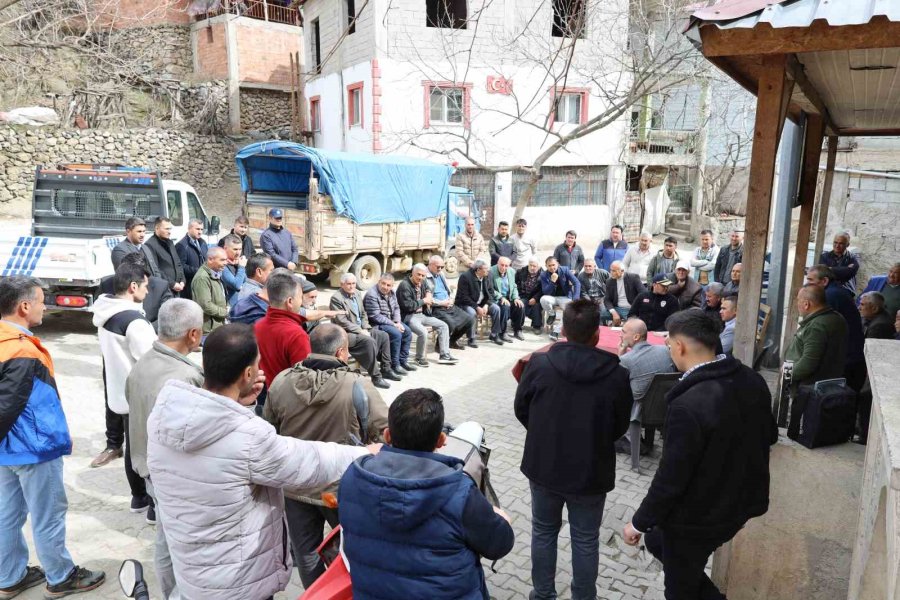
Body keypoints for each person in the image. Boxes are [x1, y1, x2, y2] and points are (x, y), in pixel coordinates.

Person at [146, 324, 376, 600]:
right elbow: (307, 462)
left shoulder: (166, 416)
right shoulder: (247, 438)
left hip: (192, 572)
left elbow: (222, 445)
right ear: (247, 373)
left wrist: (240, 405)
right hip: (236, 582)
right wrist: (365, 453)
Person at [623, 309, 777, 600]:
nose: (669, 351)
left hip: (700, 518)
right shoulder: (750, 379)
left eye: (668, 345)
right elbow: (768, 435)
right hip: (740, 504)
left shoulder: (688, 404)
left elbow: (670, 479)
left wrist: (638, 522)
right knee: (661, 545)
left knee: (681, 588)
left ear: (678, 346)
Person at [340, 388, 514, 599]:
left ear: (387, 435)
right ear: (441, 440)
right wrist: (501, 520)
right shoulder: (460, 492)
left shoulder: (353, 478)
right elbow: (498, 545)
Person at [515, 300, 633, 600]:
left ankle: (542, 594)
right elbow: (620, 425)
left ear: (563, 330)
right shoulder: (616, 374)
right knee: (585, 539)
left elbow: (522, 409)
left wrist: (547, 434)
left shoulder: (539, 364)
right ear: (597, 334)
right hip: (590, 470)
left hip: (545, 464)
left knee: (543, 532)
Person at [0, 276, 106, 598]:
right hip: (33, 447)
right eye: (41, 299)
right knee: (47, 514)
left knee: (7, 514)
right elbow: (7, 406)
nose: (45, 305)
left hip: (7, 451)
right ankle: (60, 576)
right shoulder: (21, 350)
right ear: (24, 306)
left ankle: (9, 576)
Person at [264, 324, 389, 589]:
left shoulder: (281, 381)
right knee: (352, 550)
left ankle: (319, 594)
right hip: (341, 487)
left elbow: (269, 432)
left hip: (294, 485)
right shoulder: (356, 383)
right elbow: (386, 429)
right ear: (342, 351)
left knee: (306, 554)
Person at [124, 299, 204, 599]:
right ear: (193, 335)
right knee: (180, 543)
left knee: (165, 537)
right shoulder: (185, 378)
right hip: (175, 476)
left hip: (148, 467)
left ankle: (170, 592)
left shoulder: (143, 364)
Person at [91, 262, 156, 519]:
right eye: (145, 286)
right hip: (138, 393)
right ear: (133, 287)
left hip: (119, 390)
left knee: (132, 447)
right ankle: (152, 505)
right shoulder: (134, 321)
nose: (148, 292)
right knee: (146, 452)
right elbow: (151, 359)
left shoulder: (106, 312)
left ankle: (137, 497)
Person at [615, 318, 676, 455]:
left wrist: (621, 354)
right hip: (665, 407)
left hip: (639, 412)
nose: (620, 334)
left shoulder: (627, 359)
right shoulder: (665, 351)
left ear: (636, 337)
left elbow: (614, 381)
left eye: (623, 332)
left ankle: (628, 440)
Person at [805, 264, 865, 391]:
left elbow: (820, 328)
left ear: (824, 281)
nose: (807, 284)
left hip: (848, 360)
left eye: (811, 280)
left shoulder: (831, 295)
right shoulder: (834, 291)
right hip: (851, 357)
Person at [331, 273, 398, 387]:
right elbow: (342, 321)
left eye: (354, 283)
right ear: (342, 284)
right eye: (349, 284)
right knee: (369, 341)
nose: (352, 286)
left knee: (384, 335)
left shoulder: (357, 293)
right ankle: (376, 377)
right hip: (346, 333)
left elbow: (363, 313)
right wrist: (360, 330)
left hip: (361, 329)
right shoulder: (336, 298)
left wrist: (366, 327)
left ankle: (386, 368)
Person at [784, 285, 848, 393]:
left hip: (810, 390)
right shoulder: (837, 317)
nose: (797, 304)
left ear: (806, 304)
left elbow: (807, 365)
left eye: (798, 300)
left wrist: (787, 373)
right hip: (826, 386)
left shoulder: (816, 326)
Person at [255, 269, 312, 388]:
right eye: (300, 297)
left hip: (266, 395)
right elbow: (303, 381)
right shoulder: (296, 335)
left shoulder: (257, 326)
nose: (301, 302)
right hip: (288, 399)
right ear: (290, 301)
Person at [396, 265, 458, 366]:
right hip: (409, 316)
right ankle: (419, 358)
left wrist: (428, 293)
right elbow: (409, 306)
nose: (420, 277)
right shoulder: (404, 285)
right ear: (412, 273)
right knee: (423, 332)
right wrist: (424, 300)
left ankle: (444, 355)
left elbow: (428, 288)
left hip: (422, 314)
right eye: (418, 275)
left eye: (423, 275)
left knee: (443, 325)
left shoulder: (423, 281)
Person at [99, 252, 172, 331]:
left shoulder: (160, 287)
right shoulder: (107, 284)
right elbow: (100, 313)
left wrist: (144, 329)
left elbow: (168, 317)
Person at [364, 273, 416, 374]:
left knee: (407, 332)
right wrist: (394, 324)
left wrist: (397, 321)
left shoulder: (392, 293)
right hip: (376, 324)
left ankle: (402, 361)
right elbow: (375, 316)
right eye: (383, 284)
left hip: (390, 322)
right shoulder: (372, 294)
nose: (385, 287)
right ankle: (394, 364)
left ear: (392, 286)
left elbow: (396, 308)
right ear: (379, 282)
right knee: (396, 334)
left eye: (388, 285)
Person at [424, 255, 475, 350]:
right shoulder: (425, 277)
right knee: (450, 323)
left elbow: (448, 290)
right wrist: (441, 303)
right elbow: (426, 299)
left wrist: (451, 299)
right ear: (430, 265)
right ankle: (439, 346)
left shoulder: (441, 274)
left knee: (469, 320)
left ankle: (452, 341)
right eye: (438, 267)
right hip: (435, 307)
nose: (440, 269)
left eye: (442, 267)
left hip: (448, 304)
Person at [456, 259, 503, 347]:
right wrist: (477, 307)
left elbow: (491, 293)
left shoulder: (488, 275)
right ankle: (471, 338)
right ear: (478, 270)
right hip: (466, 304)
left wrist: (486, 304)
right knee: (472, 312)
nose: (488, 271)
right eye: (486, 269)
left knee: (496, 309)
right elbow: (464, 297)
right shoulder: (465, 277)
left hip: (482, 303)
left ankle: (494, 335)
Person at [539, 257, 581, 341]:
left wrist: (576, 298)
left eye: (553, 265)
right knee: (543, 299)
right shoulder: (543, 274)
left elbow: (576, 282)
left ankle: (556, 331)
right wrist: (552, 282)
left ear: (557, 264)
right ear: (546, 266)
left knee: (569, 311)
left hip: (565, 297)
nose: (552, 267)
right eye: (549, 266)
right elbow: (545, 292)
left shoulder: (564, 270)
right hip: (552, 297)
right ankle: (551, 314)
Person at [143, 217, 186, 296]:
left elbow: (178, 263)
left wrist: (182, 280)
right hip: (164, 290)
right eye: (166, 229)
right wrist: (172, 284)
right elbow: (155, 270)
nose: (169, 232)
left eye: (170, 229)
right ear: (157, 228)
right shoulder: (150, 245)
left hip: (177, 289)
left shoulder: (170, 243)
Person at [191, 246, 229, 335]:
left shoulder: (215, 273)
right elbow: (205, 305)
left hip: (217, 327)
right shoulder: (202, 278)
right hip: (208, 331)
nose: (225, 263)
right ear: (210, 259)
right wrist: (226, 312)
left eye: (226, 260)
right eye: (222, 260)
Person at [490, 256, 525, 341]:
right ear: (497, 263)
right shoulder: (491, 271)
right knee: (504, 307)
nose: (504, 267)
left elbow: (514, 286)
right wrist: (501, 297)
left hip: (509, 297)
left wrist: (516, 298)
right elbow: (490, 289)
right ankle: (503, 332)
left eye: (506, 265)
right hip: (497, 298)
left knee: (520, 306)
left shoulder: (512, 271)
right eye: (502, 265)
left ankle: (518, 330)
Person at [174, 218, 208, 301]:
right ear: (189, 228)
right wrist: (198, 271)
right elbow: (180, 267)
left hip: (203, 283)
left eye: (201, 229)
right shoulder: (182, 245)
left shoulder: (203, 242)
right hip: (190, 286)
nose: (200, 232)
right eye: (197, 229)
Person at [605, 260, 645, 326]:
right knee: (602, 314)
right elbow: (607, 299)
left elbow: (643, 294)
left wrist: (636, 308)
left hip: (631, 308)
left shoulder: (633, 277)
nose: (611, 273)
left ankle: (623, 323)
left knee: (632, 324)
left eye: (614, 271)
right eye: (611, 270)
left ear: (622, 271)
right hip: (617, 308)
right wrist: (613, 312)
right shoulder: (609, 281)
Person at [515, 256, 545, 334]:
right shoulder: (520, 272)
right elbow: (515, 285)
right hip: (523, 295)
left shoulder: (543, 275)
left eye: (534, 266)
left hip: (536, 297)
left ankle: (537, 326)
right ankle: (517, 324)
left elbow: (543, 290)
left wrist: (535, 298)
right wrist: (517, 297)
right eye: (530, 265)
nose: (532, 267)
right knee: (520, 303)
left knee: (537, 305)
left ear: (538, 266)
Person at [220, 234, 248, 307]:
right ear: (225, 248)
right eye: (235, 249)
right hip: (228, 306)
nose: (238, 252)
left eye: (240, 249)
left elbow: (246, 281)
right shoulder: (222, 265)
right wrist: (241, 267)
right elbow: (237, 285)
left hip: (240, 304)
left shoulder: (238, 262)